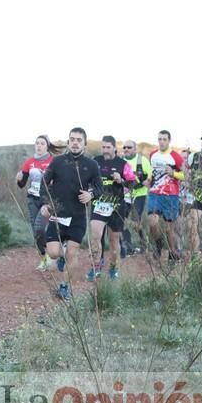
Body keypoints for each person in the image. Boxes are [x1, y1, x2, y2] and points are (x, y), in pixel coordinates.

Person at [40, 127, 102, 300]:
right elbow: (44, 183)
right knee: (53, 252)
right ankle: (61, 256)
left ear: (85, 144)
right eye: (72, 139)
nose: (75, 142)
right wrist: (45, 203)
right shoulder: (58, 162)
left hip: (77, 216)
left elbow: (99, 188)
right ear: (68, 142)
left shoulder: (91, 165)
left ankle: (64, 287)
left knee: (72, 253)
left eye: (79, 140)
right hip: (58, 214)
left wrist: (91, 194)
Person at [87, 136, 136, 281]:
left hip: (116, 206)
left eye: (108, 147)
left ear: (114, 148)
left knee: (114, 241)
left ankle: (114, 267)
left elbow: (132, 184)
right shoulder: (95, 161)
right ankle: (96, 266)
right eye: (103, 147)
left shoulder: (123, 164)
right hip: (98, 205)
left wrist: (121, 180)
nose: (105, 150)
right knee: (95, 235)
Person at [16, 135, 64, 270]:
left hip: (47, 201)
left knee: (40, 228)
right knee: (36, 232)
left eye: (42, 143)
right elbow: (22, 183)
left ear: (47, 146)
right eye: (37, 143)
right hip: (32, 200)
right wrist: (19, 179)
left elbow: (60, 182)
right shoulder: (29, 162)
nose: (39, 146)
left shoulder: (54, 162)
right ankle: (44, 258)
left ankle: (56, 252)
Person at [146, 130, 185, 261]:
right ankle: (158, 245)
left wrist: (174, 173)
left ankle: (172, 254)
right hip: (155, 194)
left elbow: (186, 175)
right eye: (159, 139)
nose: (161, 142)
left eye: (164, 139)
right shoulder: (153, 154)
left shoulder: (176, 157)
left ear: (169, 141)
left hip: (171, 196)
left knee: (169, 230)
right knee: (152, 222)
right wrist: (149, 179)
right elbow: (152, 171)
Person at [119, 140, 151, 255]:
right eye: (124, 147)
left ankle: (144, 243)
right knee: (123, 220)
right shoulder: (121, 161)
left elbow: (150, 178)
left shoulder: (142, 160)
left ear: (135, 149)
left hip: (139, 194)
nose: (126, 149)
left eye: (129, 147)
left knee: (135, 223)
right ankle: (128, 248)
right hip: (125, 195)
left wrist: (145, 182)